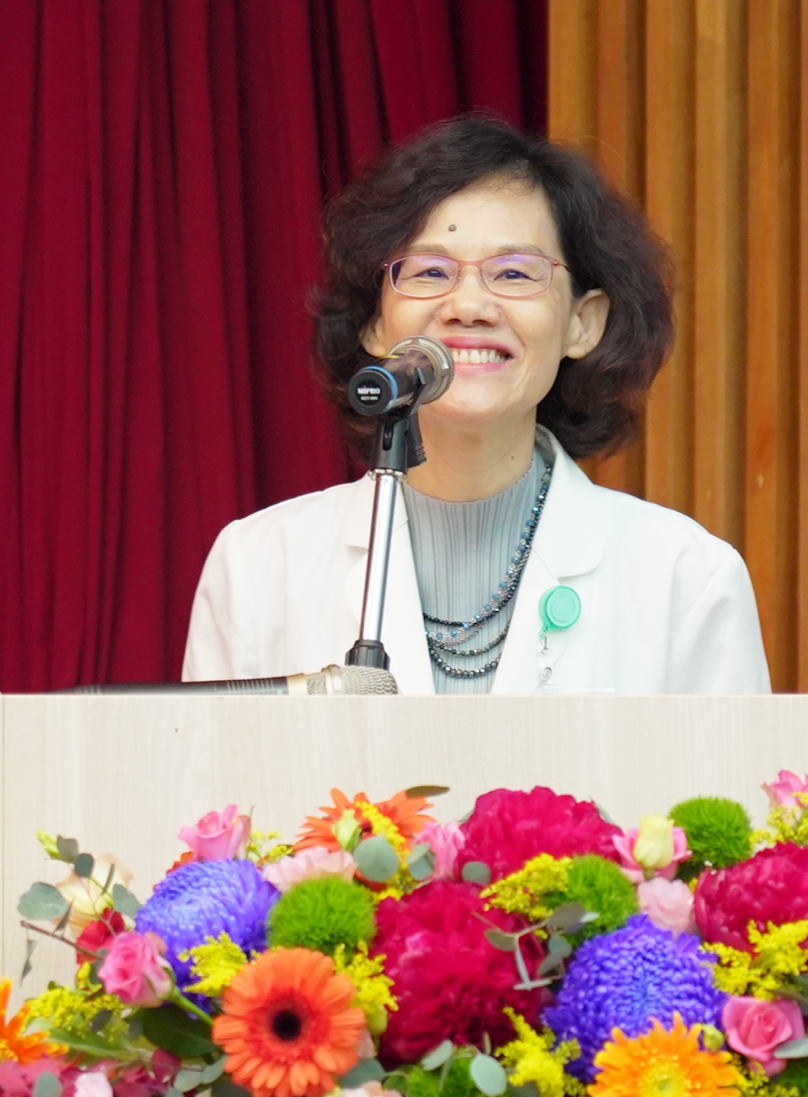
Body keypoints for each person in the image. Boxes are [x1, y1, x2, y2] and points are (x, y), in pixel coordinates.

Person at [182, 115, 770, 695]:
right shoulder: (257, 566)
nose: (468, 307)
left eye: (513, 273)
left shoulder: (687, 578)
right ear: (373, 321)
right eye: (430, 271)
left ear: (582, 323)